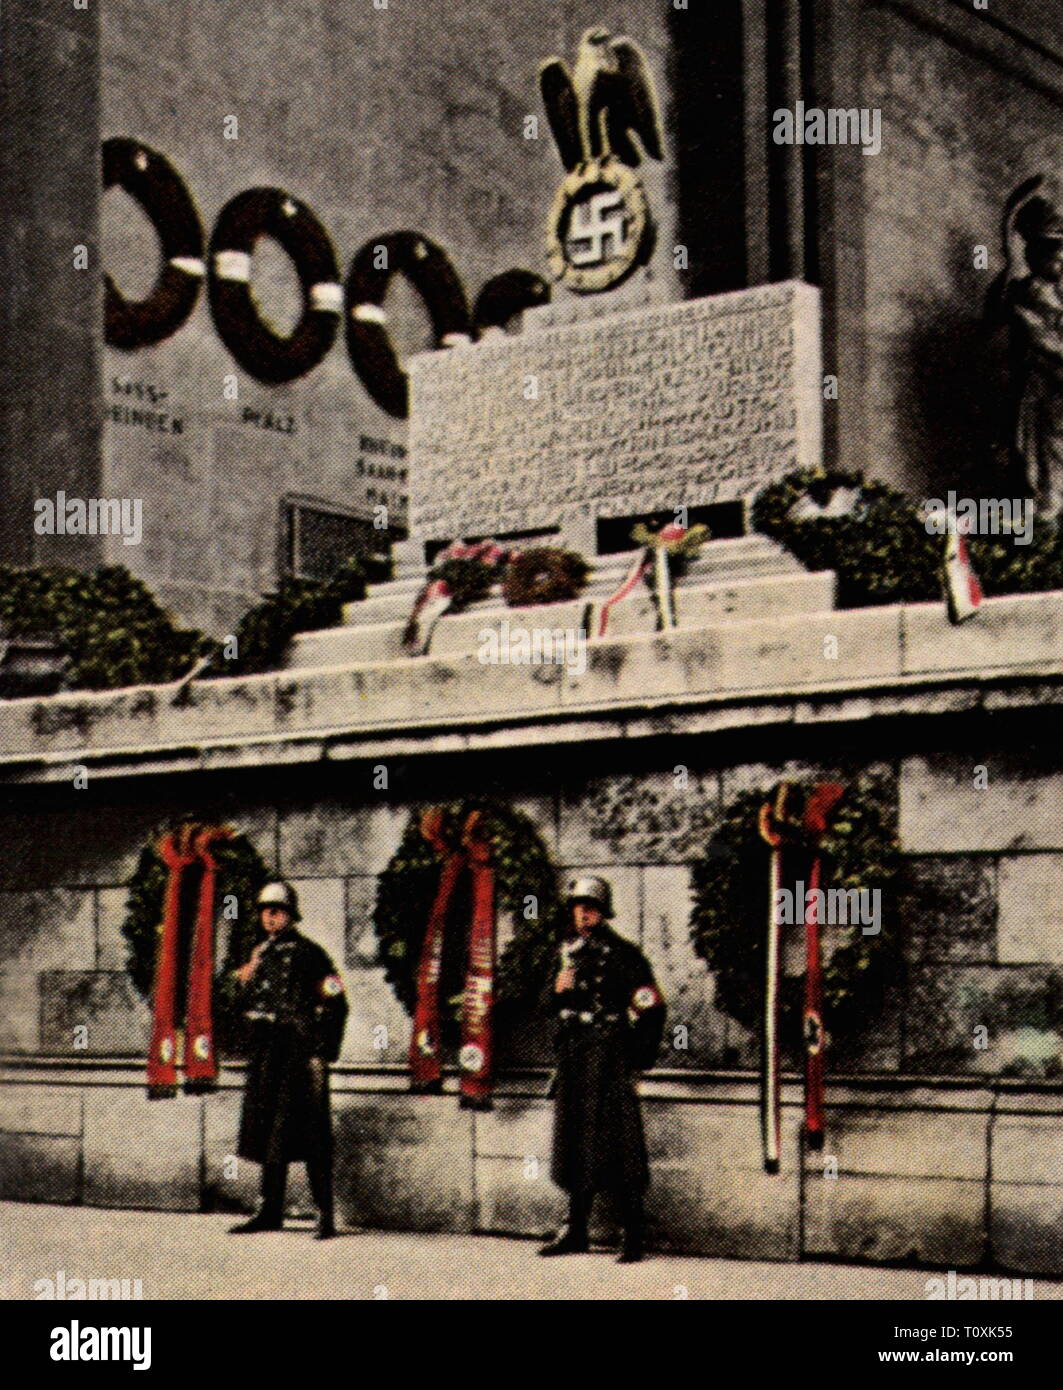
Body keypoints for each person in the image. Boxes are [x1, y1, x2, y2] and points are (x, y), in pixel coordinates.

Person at [539, 875, 666, 1263]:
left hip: (609, 1060)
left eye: (590, 908)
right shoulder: (566, 952)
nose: (583, 914)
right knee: (574, 1140)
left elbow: (652, 1006)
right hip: (575, 1058)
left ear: (603, 912)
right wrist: (556, 990)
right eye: (578, 907)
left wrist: (636, 1059)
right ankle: (576, 1229)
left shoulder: (625, 955)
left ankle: (632, 1232)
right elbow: (544, 1002)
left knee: (620, 1145)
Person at [228, 881, 348, 1239]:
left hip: (299, 1055)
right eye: (265, 911)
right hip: (267, 1055)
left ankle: (324, 1213)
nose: (270, 917)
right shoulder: (259, 954)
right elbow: (247, 1002)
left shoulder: (312, 954)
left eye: (277, 910)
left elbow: (336, 1003)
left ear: (291, 915)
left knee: (311, 1132)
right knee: (268, 1131)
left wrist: (320, 1051)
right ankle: (269, 1209)